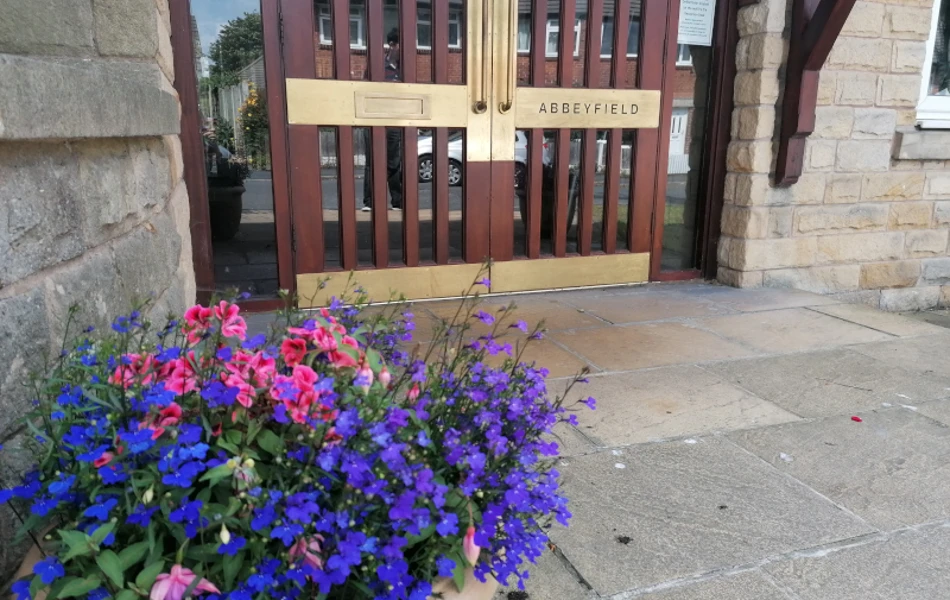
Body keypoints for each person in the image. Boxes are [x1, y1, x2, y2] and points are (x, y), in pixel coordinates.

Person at [362, 28, 404, 211]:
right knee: (372, 161)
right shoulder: (376, 67)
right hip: (374, 121)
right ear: (393, 45)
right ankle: (370, 202)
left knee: (394, 163)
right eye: (403, 45)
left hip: (395, 122)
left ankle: (398, 202)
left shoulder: (406, 70)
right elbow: (364, 91)